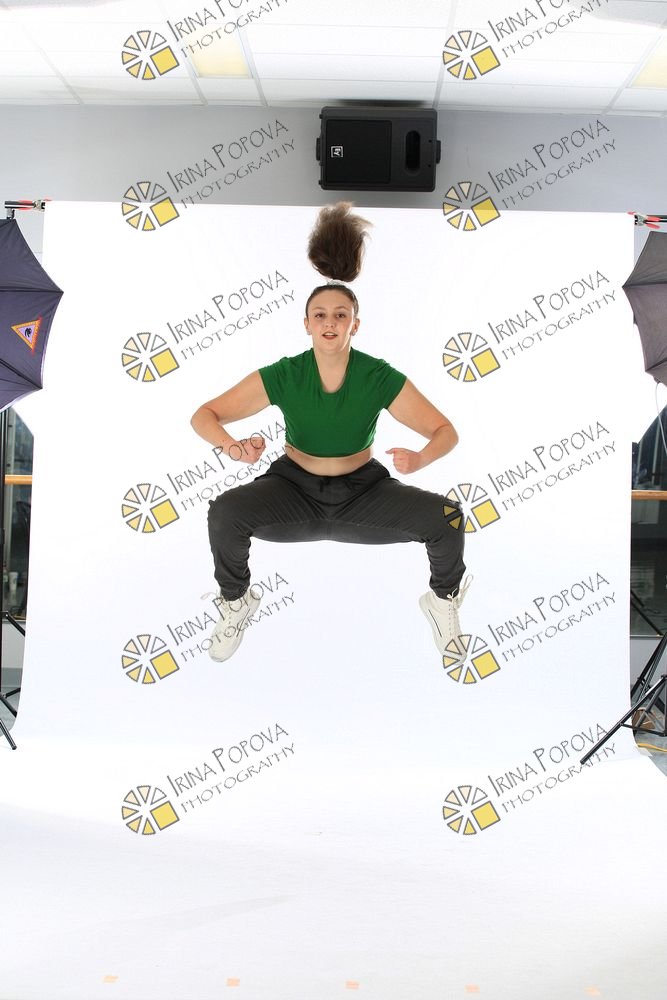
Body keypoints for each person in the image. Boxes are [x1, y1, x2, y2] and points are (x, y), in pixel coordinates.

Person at [191, 203, 470, 664]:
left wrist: (421, 458)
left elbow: (445, 431)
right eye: (319, 315)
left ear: (354, 325)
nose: (330, 322)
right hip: (292, 491)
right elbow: (205, 415)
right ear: (306, 324)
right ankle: (236, 601)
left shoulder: (377, 375)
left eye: (340, 315)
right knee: (224, 512)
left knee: (449, 519)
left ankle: (442, 602)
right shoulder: (285, 374)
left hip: (364, 494)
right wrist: (233, 447)